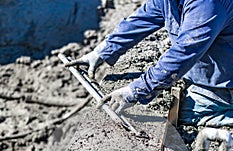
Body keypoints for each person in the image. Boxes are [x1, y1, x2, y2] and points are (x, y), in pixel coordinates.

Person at [66, 0, 233, 127]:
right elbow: (142, 19)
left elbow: (184, 52)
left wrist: (135, 90)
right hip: (206, 78)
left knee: (178, 120)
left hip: (223, 90)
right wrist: (101, 52)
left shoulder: (208, 4)